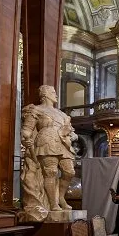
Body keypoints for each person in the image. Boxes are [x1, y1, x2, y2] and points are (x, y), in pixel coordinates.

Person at [20, 85, 76, 218]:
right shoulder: (36, 110)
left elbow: (73, 133)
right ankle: (53, 204)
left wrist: (70, 135)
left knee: (69, 172)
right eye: (53, 92)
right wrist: (25, 139)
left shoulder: (62, 114)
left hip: (63, 143)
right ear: (44, 95)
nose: (56, 94)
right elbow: (27, 129)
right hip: (46, 140)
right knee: (51, 172)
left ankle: (60, 198)